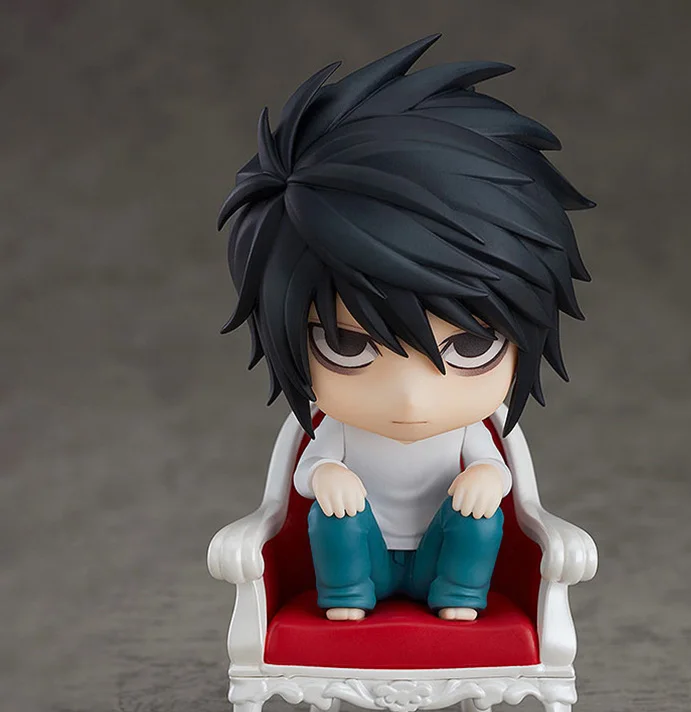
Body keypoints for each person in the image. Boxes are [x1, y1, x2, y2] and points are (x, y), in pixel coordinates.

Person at [217, 34, 593, 622]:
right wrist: (329, 475)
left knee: (480, 519)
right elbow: (311, 471)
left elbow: (495, 471)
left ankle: (460, 594)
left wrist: (487, 477)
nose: (412, 397)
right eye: (346, 344)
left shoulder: (472, 431)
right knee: (332, 517)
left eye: (470, 345)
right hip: (363, 554)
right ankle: (346, 596)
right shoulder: (338, 429)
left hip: (441, 553)